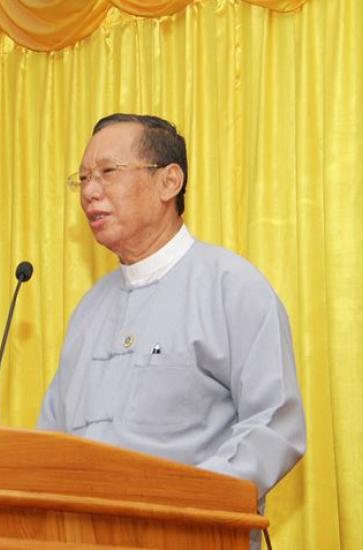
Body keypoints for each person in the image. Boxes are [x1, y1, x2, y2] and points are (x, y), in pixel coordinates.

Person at [37, 114, 306, 542]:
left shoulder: (230, 286)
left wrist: (184, 501)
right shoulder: (89, 310)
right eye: (83, 178)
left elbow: (275, 425)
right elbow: (51, 440)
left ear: (169, 182)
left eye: (108, 172)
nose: (90, 191)